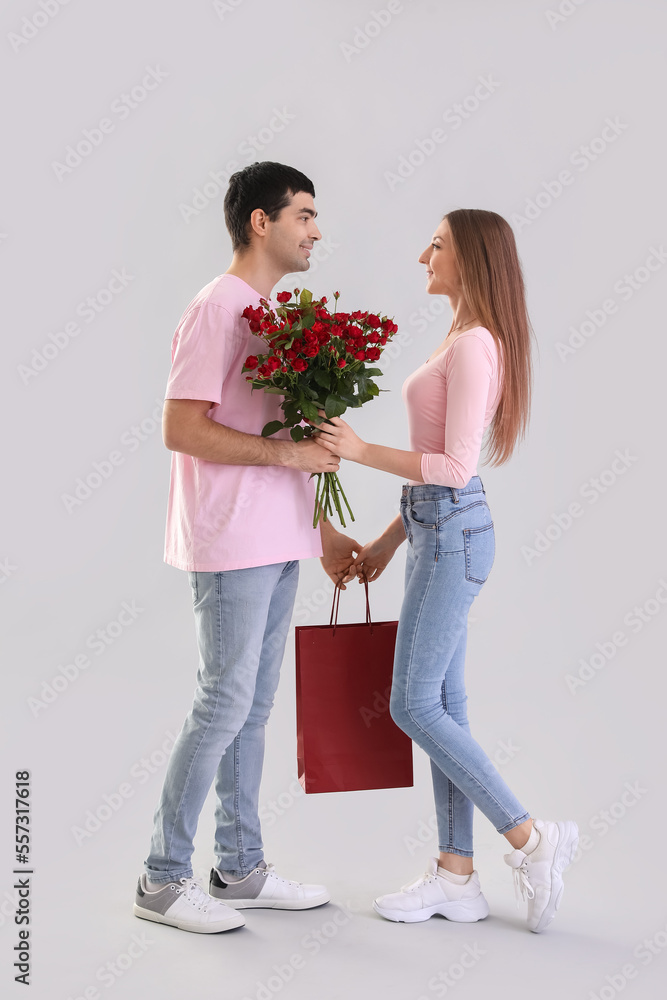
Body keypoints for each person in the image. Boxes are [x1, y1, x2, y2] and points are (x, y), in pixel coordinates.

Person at [308, 208, 579, 934]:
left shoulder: (477, 345)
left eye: (436, 243)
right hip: (436, 531)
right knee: (444, 709)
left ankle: (529, 837)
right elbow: (438, 482)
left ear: (472, 259)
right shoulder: (460, 336)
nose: (420, 252)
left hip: (454, 535)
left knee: (411, 706)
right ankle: (456, 876)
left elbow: (455, 469)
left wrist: (359, 452)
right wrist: (388, 542)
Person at [133, 161, 361, 934]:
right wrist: (291, 459)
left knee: (253, 709)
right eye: (303, 214)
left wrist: (323, 528)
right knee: (223, 703)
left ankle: (237, 867)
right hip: (229, 540)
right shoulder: (218, 306)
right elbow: (181, 427)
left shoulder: (275, 316)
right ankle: (162, 879)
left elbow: (287, 437)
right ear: (260, 222)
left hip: (275, 539)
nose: (315, 230)